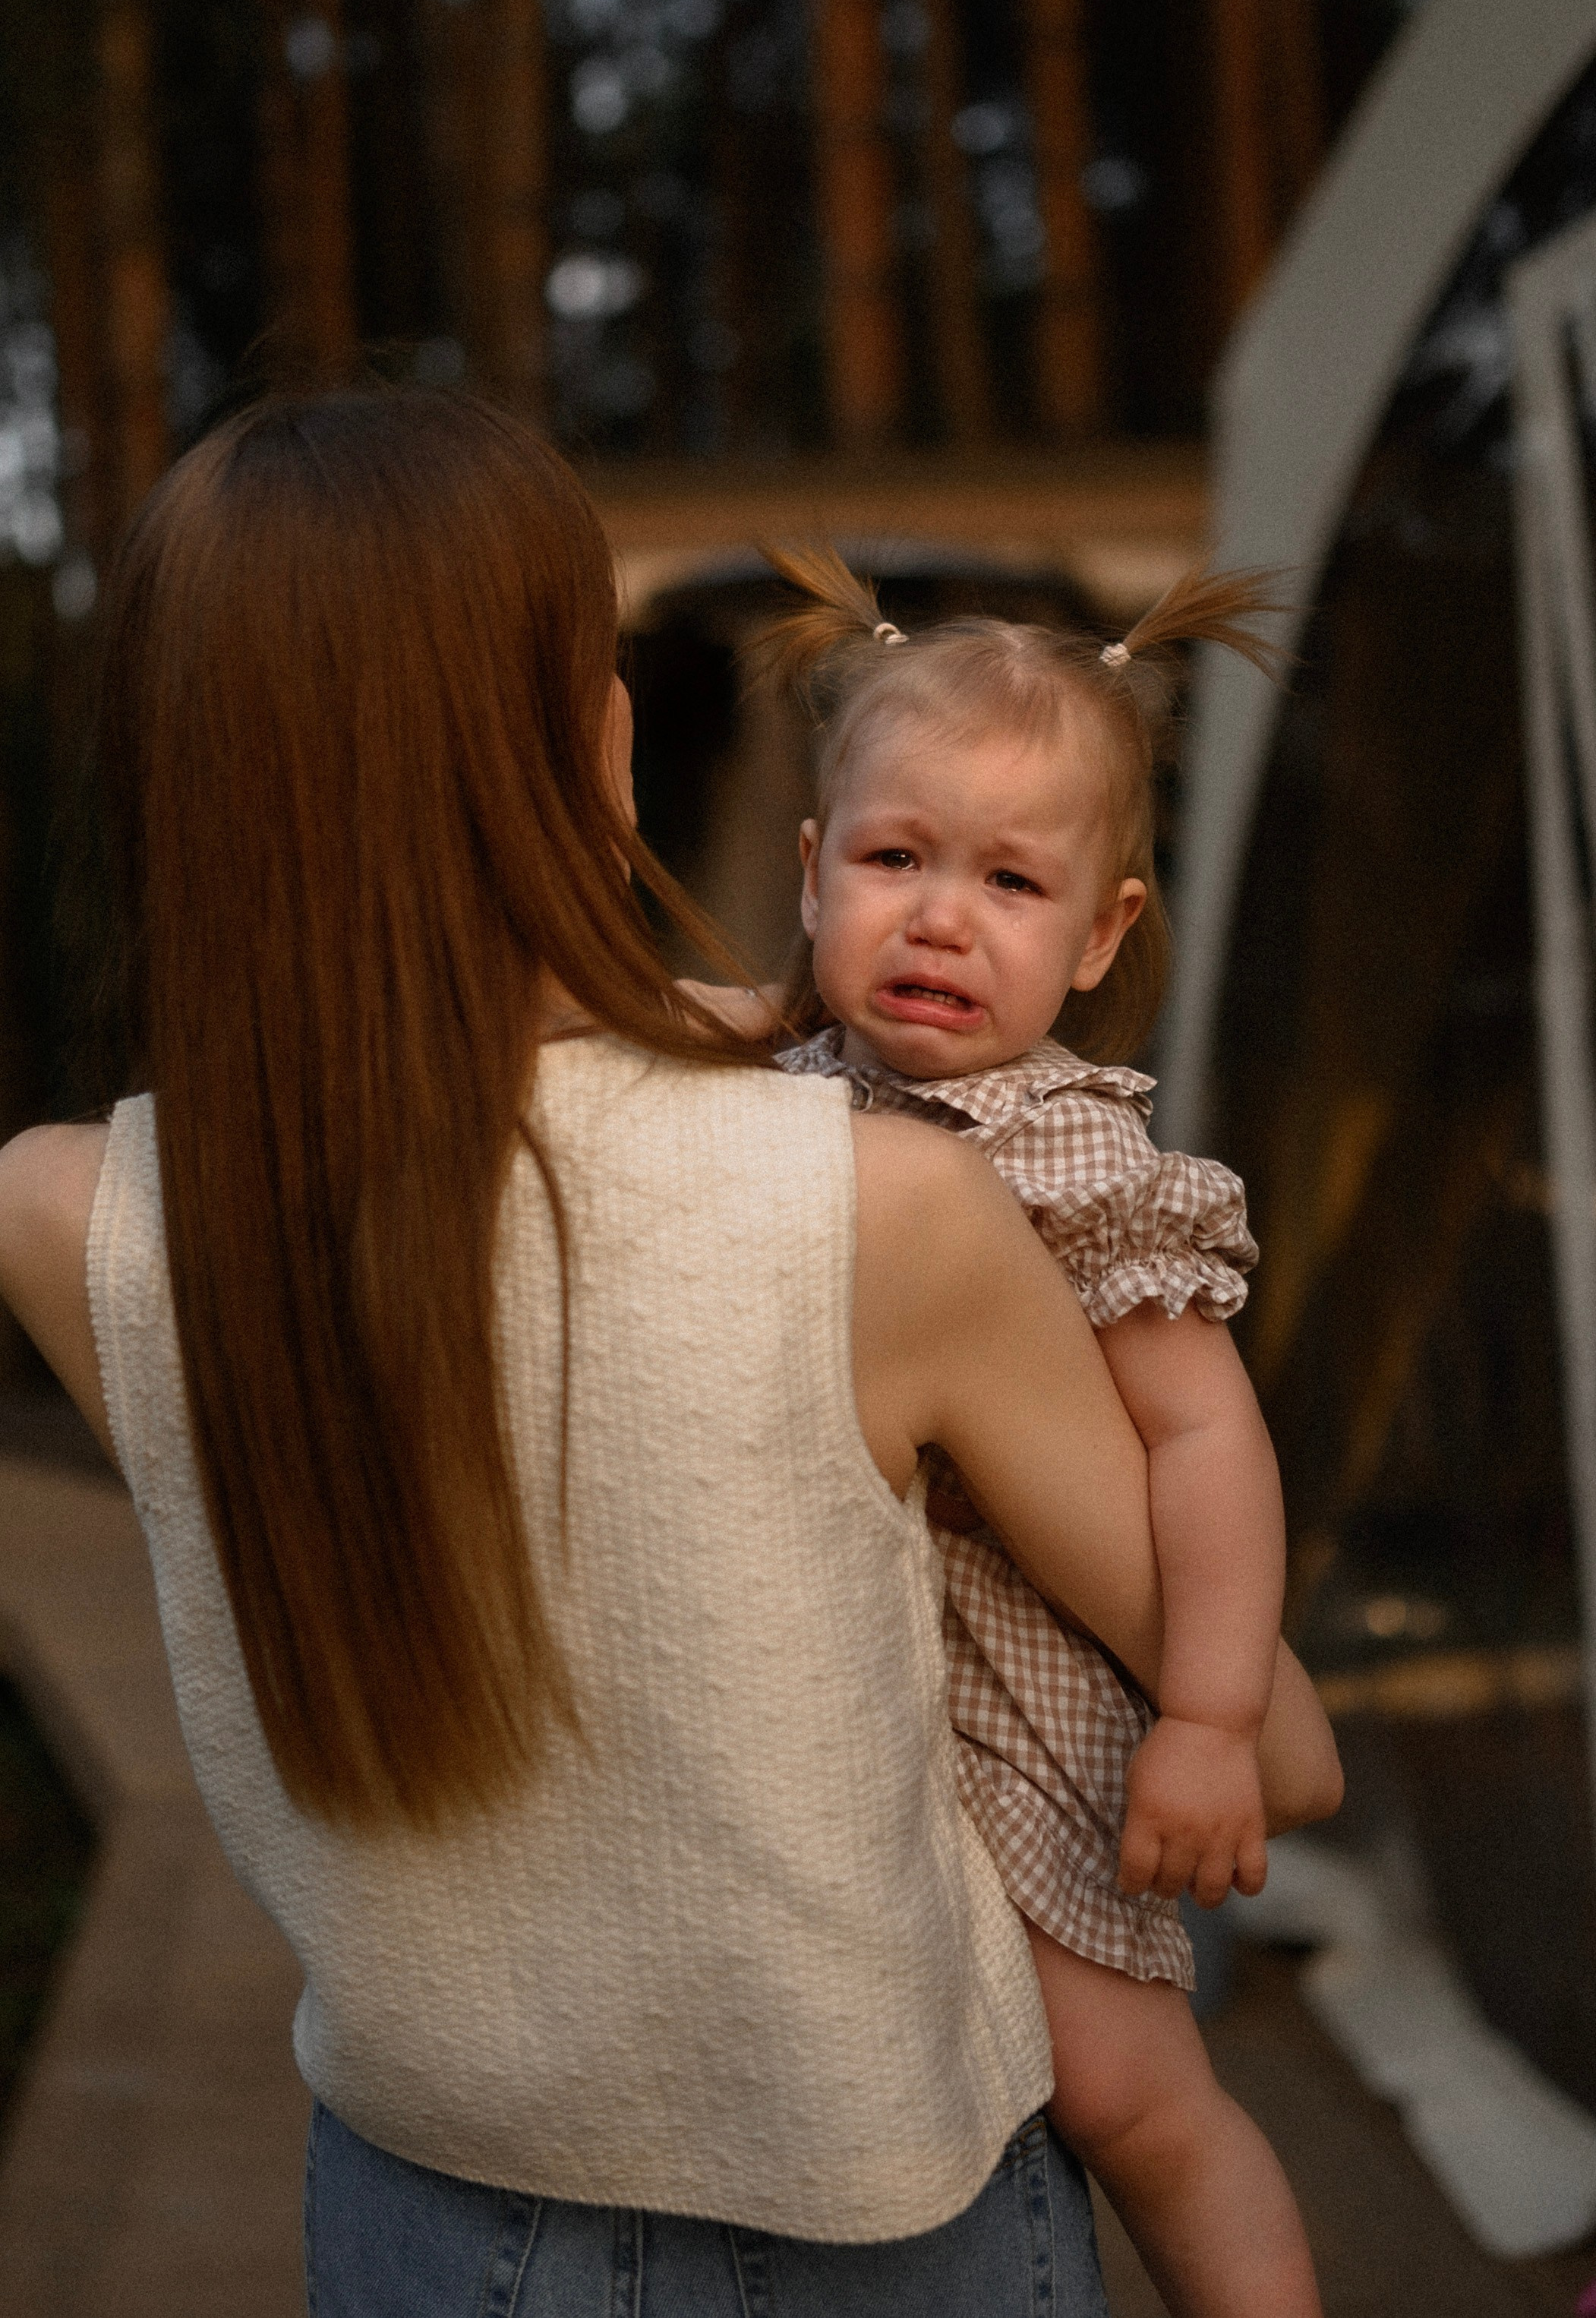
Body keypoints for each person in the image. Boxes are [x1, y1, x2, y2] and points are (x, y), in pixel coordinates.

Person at [0, 387, 1248, 2317]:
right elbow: (1275, 1738)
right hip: (889, 2219)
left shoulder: (71, 1215)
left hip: (419, 2214)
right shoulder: (877, 1206)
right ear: (592, 738)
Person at [751, 545, 1341, 2318]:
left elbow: (1203, 1446)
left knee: (1126, 2095)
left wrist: (1216, 1718)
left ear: (1099, 935)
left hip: (1024, 1724)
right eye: (894, 858)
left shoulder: (1079, 1162)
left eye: (1010, 881)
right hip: (824, 1715)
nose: (939, 916)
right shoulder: (767, 1103)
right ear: (811, 875)